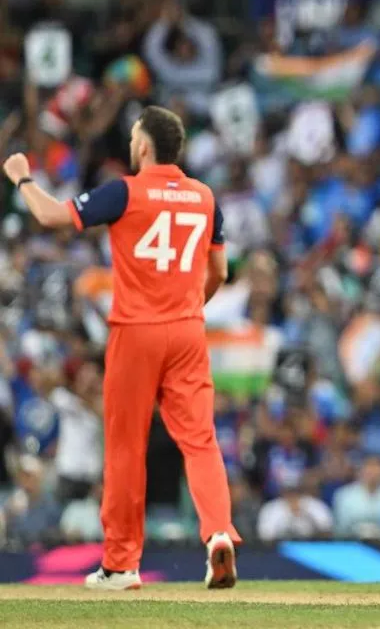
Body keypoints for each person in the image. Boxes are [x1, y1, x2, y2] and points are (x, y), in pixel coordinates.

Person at [3, 106, 240, 591]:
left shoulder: (125, 191)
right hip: (188, 330)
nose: (131, 144)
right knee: (200, 440)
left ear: (145, 145)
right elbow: (219, 273)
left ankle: (120, 564)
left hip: (136, 331)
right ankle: (218, 532)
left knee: (126, 448)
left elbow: (52, 215)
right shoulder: (204, 196)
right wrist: (191, 305)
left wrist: (22, 179)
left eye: (134, 137)